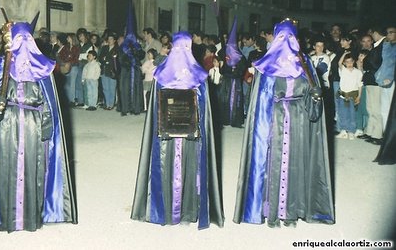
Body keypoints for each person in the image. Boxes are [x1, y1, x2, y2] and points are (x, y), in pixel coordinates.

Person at [0, 20, 77, 232]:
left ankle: (30, 218)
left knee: (33, 169)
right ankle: (4, 218)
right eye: (18, 39)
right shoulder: (2, 64)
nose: (22, 43)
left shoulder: (43, 66)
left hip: (33, 126)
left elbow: (49, 101)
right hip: (7, 125)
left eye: (26, 39)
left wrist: (48, 124)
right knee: (6, 167)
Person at [233, 20, 334, 227]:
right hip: (276, 121)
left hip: (297, 120)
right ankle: (272, 211)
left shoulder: (304, 62)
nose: (285, 42)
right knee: (273, 162)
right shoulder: (267, 63)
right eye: (282, 37)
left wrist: (315, 96)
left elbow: (312, 91)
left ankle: (290, 211)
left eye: (289, 37)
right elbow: (260, 102)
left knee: (295, 161)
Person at [131, 31, 224, 229]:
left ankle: (181, 211)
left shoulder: (165, 73)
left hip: (178, 134)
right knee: (184, 166)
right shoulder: (195, 74)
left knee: (182, 166)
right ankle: (179, 212)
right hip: (179, 133)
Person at [336, 52, 363, 140]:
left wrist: (359, 96)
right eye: (347, 62)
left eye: (351, 61)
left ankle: (351, 131)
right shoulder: (343, 70)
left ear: (354, 62)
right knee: (343, 113)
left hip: (352, 96)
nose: (349, 64)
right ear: (344, 63)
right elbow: (339, 63)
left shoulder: (358, 72)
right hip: (343, 95)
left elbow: (360, 85)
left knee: (352, 113)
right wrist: (344, 53)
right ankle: (343, 131)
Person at [117, 32, 145, 116]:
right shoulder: (123, 47)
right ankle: (125, 108)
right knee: (125, 89)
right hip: (126, 71)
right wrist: (129, 62)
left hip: (135, 71)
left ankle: (135, 108)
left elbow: (142, 55)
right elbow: (121, 59)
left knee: (136, 89)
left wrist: (136, 51)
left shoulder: (137, 46)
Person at [99, 31, 119, 110]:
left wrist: (106, 59)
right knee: (105, 88)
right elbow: (100, 58)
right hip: (104, 70)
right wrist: (106, 60)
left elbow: (115, 60)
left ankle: (111, 104)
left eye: (111, 39)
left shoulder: (117, 49)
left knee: (112, 88)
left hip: (112, 71)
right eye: (109, 39)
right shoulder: (104, 48)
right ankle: (107, 104)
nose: (109, 40)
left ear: (114, 40)